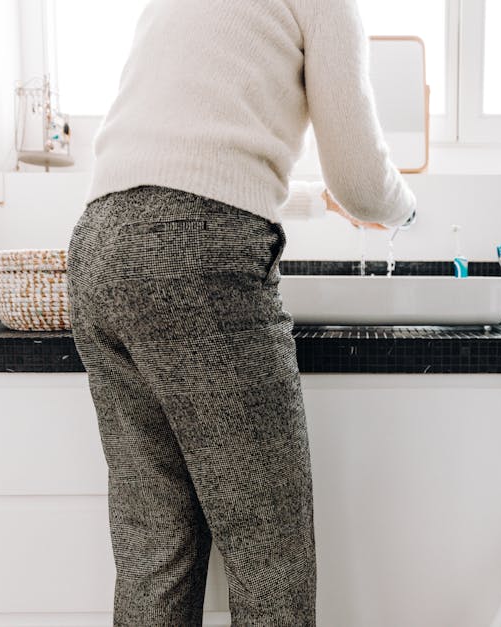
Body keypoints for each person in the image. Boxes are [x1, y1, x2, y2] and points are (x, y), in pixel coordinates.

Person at [65, 0, 416, 625]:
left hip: (97, 248)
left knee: (156, 542)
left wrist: (299, 197)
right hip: (199, 258)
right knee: (268, 552)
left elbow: (180, 166)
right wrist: (404, 209)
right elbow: (361, 182)